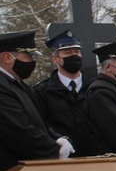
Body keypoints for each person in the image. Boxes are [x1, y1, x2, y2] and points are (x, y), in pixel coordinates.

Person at [0, 30, 74, 171]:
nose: (32, 62)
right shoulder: (3, 87)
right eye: (28, 56)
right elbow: (18, 130)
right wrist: (54, 149)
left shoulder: (18, 85)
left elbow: (38, 122)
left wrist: (58, 139)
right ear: (7, 57)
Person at [33, 29, 93, 157]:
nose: (74, 56)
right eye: (67, 52)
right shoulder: (42, 91)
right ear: (55, 58)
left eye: (77, 52)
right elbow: (40, 124)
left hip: (95, 156)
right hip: (62, 156)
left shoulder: (95, 87)